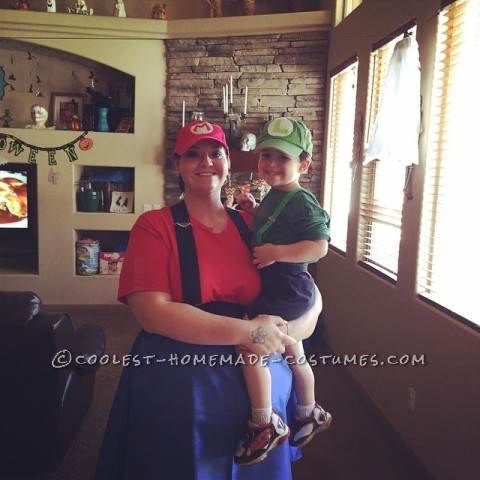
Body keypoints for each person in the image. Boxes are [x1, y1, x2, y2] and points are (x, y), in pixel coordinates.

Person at [94, 120, 322, 480]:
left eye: (216, 152)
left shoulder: (253, 225)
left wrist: (278, 332)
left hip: (261, 374)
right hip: (182, 376)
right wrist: (252, 333)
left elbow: (309, 296)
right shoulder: (154, 226)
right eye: (193, 154)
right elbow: (152, 313)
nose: (206, 162)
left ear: (228, 162)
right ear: (177, 166)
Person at [234, 117, 332, 467]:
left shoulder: (302, 200)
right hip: (281, 284)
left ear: (303, 164)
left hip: (287, 286)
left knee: (250, 342)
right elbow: (272, 226)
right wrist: (250, 210)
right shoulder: (276, 195)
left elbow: (319, 246)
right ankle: (308, 412)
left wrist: (277, 254)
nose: (272, 164)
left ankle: (264, 424)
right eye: (267, 156)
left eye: (283, 158)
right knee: (295, 353)